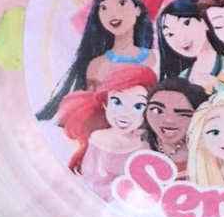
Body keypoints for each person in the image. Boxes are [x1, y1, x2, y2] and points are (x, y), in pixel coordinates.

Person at [37, 0, 158, 121]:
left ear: (137, 10)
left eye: (121, 3)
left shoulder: (156, 57)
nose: (112, 13)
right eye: (103, 7)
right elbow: (92, 112)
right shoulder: (96, 66)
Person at [57, 65, 156, 202]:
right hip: (99, 203)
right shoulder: (99, 138)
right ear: (105, 103)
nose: (124, 114)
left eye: (138, 106)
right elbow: (92, 181)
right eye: (117, 102)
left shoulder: (145, 143)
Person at [142, 77, 209, 179]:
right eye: (157, 110)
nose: (168, 120)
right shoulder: (139, 144)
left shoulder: (207, 153)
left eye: (183, 114)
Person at [156, 0, 222, 89]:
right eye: (170, 34)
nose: (180, 38)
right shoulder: (181, 78)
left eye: (186, 23)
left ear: (204, 21)